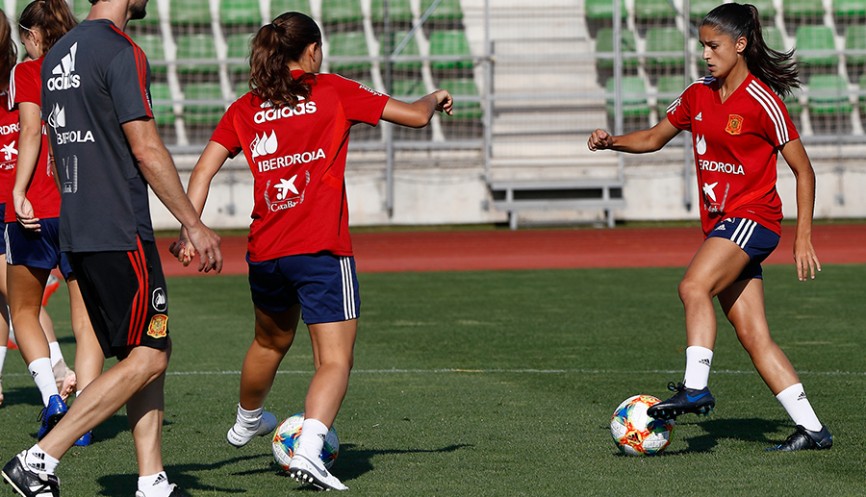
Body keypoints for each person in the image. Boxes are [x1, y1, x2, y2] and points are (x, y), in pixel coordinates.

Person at [172, 11, 451, 491]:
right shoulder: (331, 89)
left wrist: (189, 230)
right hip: (320, 250)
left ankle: (247, 420)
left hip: (266, 251)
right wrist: (435, 96)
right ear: (313, 51)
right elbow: (416, 116)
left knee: (269, 342)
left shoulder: (246, 106)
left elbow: (203, 170)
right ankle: (309, 449)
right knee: (334, 360)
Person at [1, 0, 223, 495]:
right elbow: (144, 146)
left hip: (79, 231)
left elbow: (57, 152)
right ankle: (39, 459)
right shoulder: (121, 51)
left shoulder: (58, 55)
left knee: (142, 352)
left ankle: (152, 478)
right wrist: (193, 223)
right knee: (152, 355)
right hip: (119, 231)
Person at [588, 3, 831, 452]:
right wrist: (613, 142)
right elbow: (654, 137)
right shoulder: (698, 94)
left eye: (713, 45)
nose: (705, 54)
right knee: (753, 334)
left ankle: (695, 386)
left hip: (753, 219)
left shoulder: (763, 102)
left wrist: (803, 237)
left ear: (740, 46)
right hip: (723, 225)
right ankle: (814, 429)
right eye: (702, 45)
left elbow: (804, 171)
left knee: (692, 286)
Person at [7, 0, 104, 445]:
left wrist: (19, 190)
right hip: (82, 208)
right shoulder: (85, 63)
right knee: (86, 320)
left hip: (35, 214)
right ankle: (82, 414)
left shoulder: (27, 71)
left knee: (23, 309)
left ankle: (51, 399)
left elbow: (30, 131)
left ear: (30, 35)